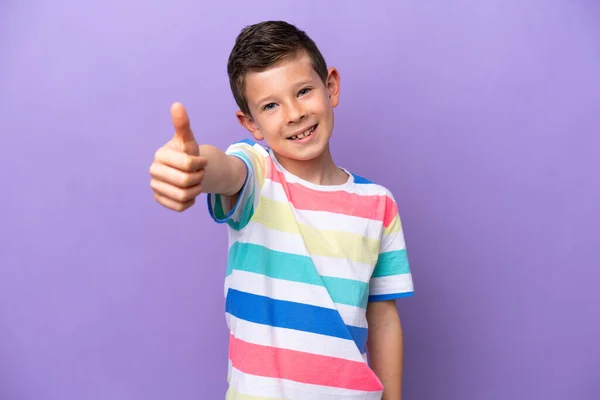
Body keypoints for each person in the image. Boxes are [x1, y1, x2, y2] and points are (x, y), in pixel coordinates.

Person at [149, 20, 414, 400]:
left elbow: (384, 317)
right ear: (250, 123)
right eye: (270, 105)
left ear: (331, 86)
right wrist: (193, 168)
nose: (293, 114)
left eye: (303, 91)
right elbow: (224, 170)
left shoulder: (379, 204)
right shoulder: (256, 173)